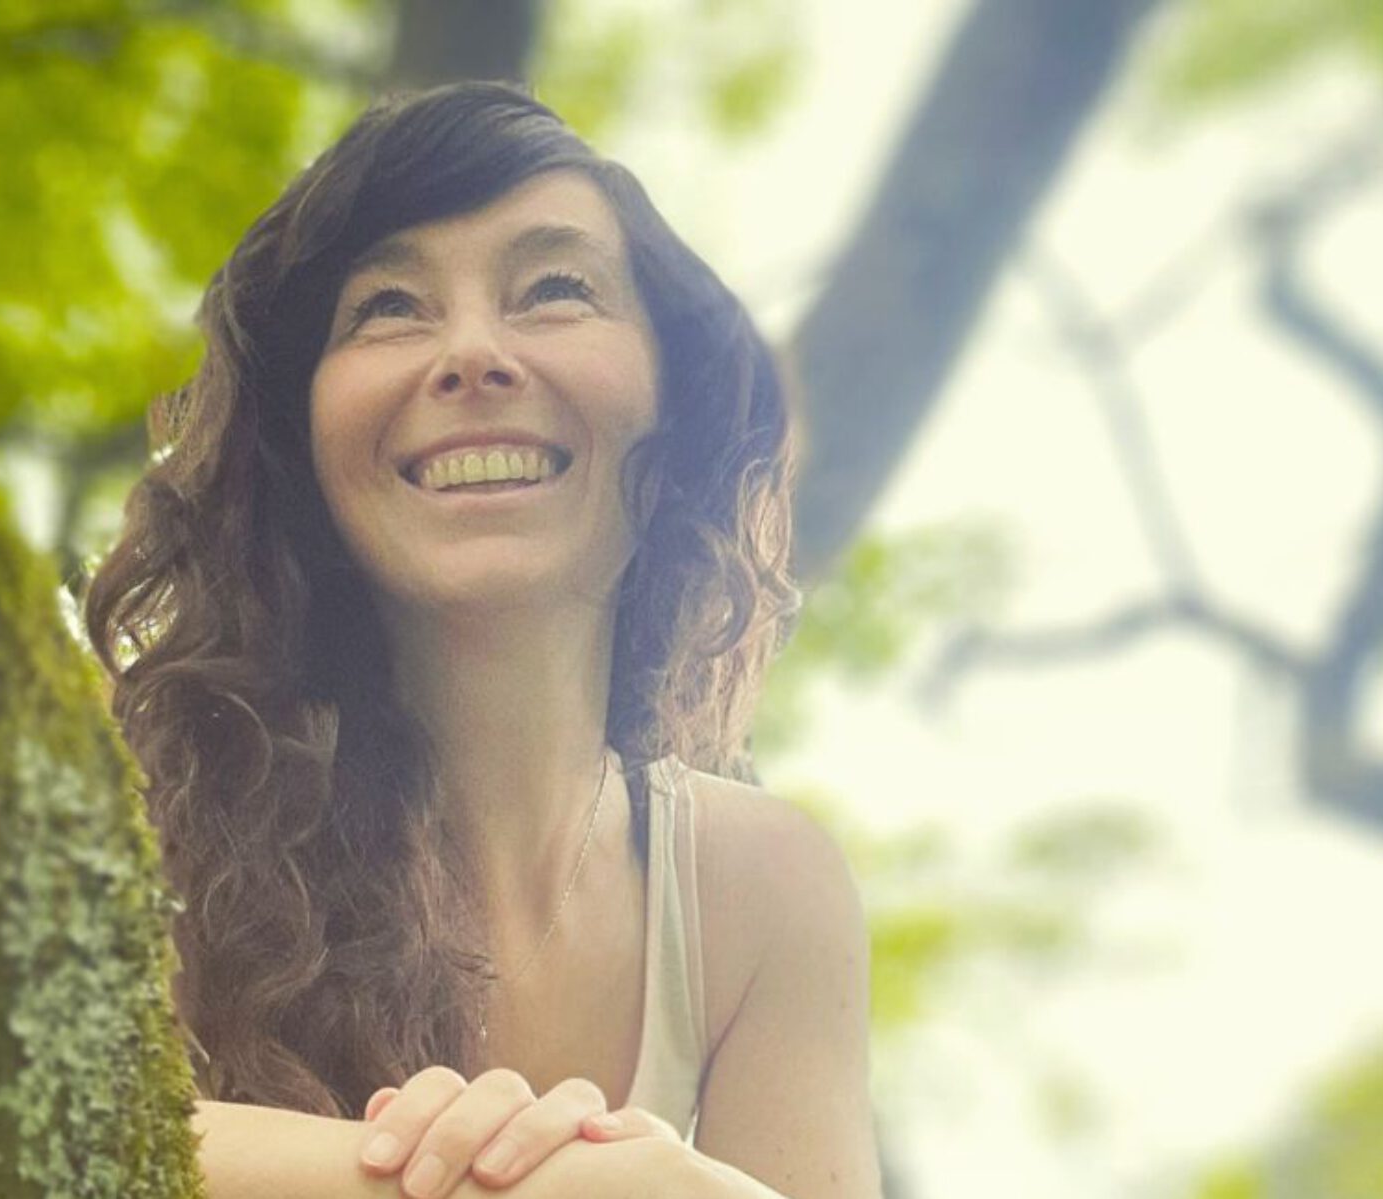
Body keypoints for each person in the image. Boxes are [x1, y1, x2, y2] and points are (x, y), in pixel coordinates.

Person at [86, 81, 878, 1199]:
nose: (469, 353)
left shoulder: (757, 891)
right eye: (388, 308)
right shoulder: (122, 811)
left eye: (553, 289)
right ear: (300, 435)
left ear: (672, 400)